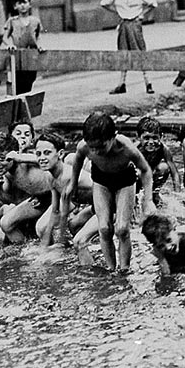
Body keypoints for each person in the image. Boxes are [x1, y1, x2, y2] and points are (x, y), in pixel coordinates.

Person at [66, 112, 156, 272]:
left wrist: (148, 200)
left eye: (101, 147)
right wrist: (73, 184)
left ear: (113, 136)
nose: (97, 152)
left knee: (122, 229)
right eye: (93, 147)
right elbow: (77, 161)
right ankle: (110, 268)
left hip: (125, 181)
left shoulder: (126, 147)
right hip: (101, 181)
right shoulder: (84, 147)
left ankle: (124, 269)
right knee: (104, 228)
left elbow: (146, 170)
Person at [100, 0, 158, 95]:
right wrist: (116, 12)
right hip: (124, 25)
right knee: (123, 54)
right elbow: (103, 3)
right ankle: (122, 84)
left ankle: (148, 83)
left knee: (140, 53)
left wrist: (142, 15)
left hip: (135, 25)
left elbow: (153, 3)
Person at [2, 0, 44, 94]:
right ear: (15, 6)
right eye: (19, 3)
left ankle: (25, 101)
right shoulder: (12, 21)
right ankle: (20, 103)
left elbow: (38, 36)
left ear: (29, 5)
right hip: (18, 57)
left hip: (31, 56)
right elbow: (5, 37)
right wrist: (10, 44)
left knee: (29, 81)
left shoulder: (35, 21)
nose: (22, 6)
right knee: (18, 83)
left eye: (25, 2)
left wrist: (39, 45)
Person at [135, 115, 181, 207]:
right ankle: (136, 197)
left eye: (155, 138)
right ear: (138, 137)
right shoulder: (135, 150)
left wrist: (177, 196)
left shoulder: (163, 149)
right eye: (146, 138)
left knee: (164, 167)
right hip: (137, 181)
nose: (151, 142)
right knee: (137, 172)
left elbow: (175, 173)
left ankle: (154, 193)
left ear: (161, 137)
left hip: (152, 178)